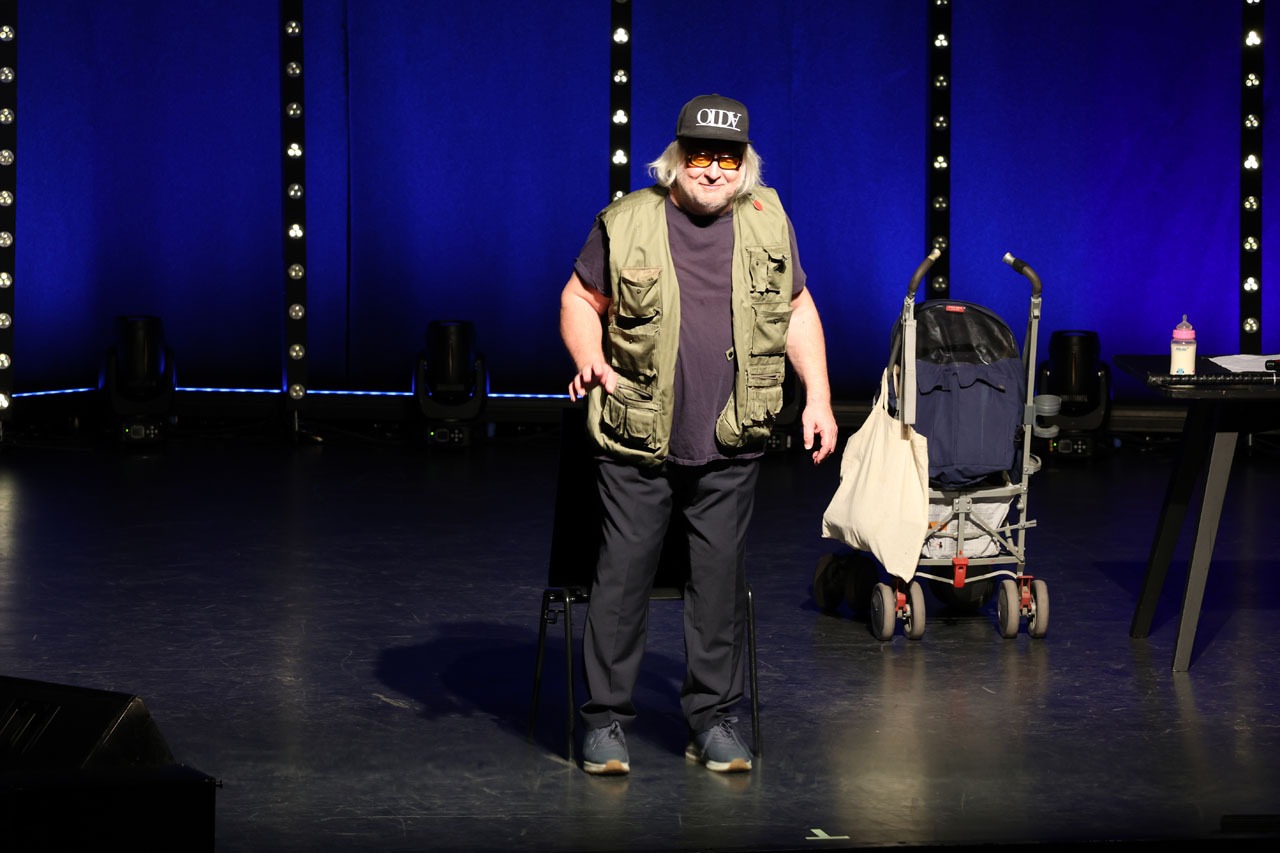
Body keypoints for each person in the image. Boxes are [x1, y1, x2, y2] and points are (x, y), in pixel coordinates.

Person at [559, 94, 837, 776]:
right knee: (622, 578)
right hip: (637, 434)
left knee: (718, 584)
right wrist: (588, 357)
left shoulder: (768, 219)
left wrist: (819, 398)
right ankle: (604, 721)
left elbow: (798, 307)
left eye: (727, 158)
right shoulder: (627, 220)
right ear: (677, 158)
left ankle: (713, 721)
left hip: (732, 437)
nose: (713, 170)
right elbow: (579, 298)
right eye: (701, 155)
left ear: (745, 164)